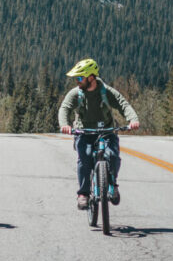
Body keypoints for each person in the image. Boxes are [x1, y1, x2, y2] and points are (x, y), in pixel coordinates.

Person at [58, 58, 140, 210]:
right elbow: (65, 108)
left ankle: (113, 185)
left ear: (91, 77)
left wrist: (133, 120)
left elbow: (123, 104)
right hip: (84, 132)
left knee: (113, 156)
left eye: (80, 78)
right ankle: (83, 194)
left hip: (106, 131)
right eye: (77, 78)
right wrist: (65, 125)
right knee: (85, 158)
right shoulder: (76, 93)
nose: (77, 81)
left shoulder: (106, 92)